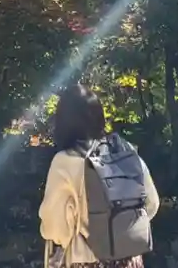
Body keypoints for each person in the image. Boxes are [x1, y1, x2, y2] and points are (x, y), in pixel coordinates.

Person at [39, 84, 160, 268]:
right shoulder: (124, 150)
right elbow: (152, 203)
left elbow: (55, 227)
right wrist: (122, 232)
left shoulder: (65, 162)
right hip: (129, 261)